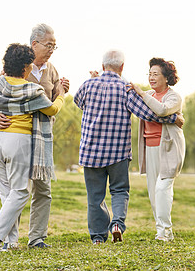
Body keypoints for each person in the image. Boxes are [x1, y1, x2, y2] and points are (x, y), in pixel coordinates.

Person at [74, 50, 183, 245]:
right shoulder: (125, 89)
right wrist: (175, 118)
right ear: (122, 67)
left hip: (90, 152)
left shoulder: (88, 85)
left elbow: (78, 101)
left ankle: (98, 237)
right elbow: (148, 114)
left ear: (102, 66)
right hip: (118, 153)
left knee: (94, 196)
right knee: (119, 190)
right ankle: (116, 224)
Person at [0, 43, 65, 252]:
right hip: (18, 140)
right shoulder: (31, 89)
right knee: (20, 192)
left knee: (6, 193)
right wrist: (61, 94)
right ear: (26, 67)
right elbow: (52, 109)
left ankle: (10, 241)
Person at [127, 58, 186, 242]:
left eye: (155, 74)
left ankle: (165, 231)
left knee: (162, 188)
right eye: (149, 74)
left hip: (169, 148)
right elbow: (134, 101)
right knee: (154, 192)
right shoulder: (148, 94)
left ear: (166, 78)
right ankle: (161, 230)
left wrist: (142, 94)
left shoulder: (173, 97)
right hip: (150, 148)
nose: (151, 77)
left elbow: (160, 110)